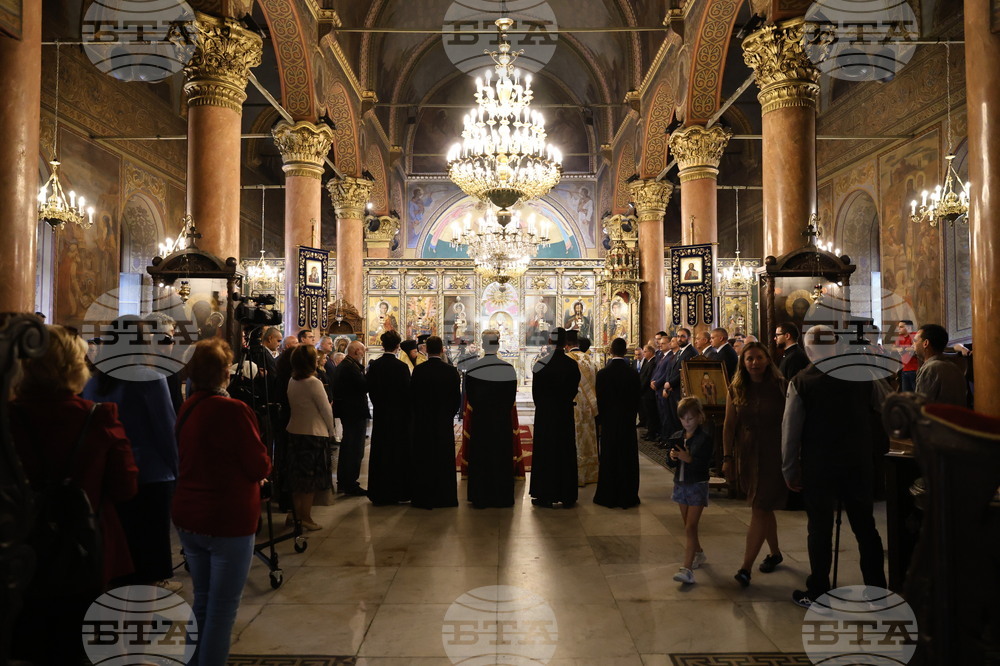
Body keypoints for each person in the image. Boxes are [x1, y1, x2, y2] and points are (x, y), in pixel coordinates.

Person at [10, 325, 139, 665]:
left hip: (15, 552)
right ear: (73, 366)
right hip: (84, 549)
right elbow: (126, 487)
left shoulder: (7, 419)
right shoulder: (96, 419)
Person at [172, 338, 271, 666]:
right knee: (222, 610)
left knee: (202, 600)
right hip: (227, 518)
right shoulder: (234, 409)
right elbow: (258, 465)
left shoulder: (189, 405)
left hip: (189, 515)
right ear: (224, 372)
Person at [782, 325, 887, 607]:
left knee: (819, 529)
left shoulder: (801, 381)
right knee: (866, 528)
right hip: (858, 463)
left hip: (819, 466)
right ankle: (877, 591)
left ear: (808, 350)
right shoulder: (862, 374)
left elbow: (790, 431)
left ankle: (818, 590)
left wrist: (790, 469)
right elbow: (886, 406)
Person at [82, 332, 180, 591]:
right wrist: (178, 469)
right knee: (147, 558)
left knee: (119, 554)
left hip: (110, 475)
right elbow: (165, 430)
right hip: (150, 474)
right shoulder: (149, 378)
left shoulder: (93, 383)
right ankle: (140, 625)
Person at [722, 341, 787, 587]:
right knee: (763, 506)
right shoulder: (736, 389)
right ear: (743, 363)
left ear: (768, 360)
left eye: (759, 358)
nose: (754, 363)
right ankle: (775, 553)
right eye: (749, 359)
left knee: (760, 507)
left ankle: (745, 568)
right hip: (748, 455)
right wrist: (727, 458)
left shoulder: (781, 387)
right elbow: (729, 427)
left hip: (774, 455)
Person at [465, 329, 518, 508]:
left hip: (481, 421)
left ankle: (480, 497)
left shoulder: (473, 368)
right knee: (501, 456)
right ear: (498, 343)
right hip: (501, 421)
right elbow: (511, 398)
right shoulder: (507, 368)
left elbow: (470, 398)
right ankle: (502, 497)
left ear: (482, 344)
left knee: (481, 457)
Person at [285, 344, 335, 530]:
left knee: (298, 479)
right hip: (313, 434)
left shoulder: (292, 380)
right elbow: (326, 410)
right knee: (310, 480)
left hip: (295, 431)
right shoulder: (314, 383)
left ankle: (294, 514)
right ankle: (305, 517)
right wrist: (332, 431)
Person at [531, 327, 582, 507]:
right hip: (564, 412)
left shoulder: (540, 363)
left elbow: (535, 393)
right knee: (565, 451)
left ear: (550, 341)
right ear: (566, 343)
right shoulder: (571, 364)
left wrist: (544, 406)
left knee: (546, 452)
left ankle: (544, 494)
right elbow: (574, 389)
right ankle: (567, 495)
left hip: (545, 414)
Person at [409, 335, 462, 508]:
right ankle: (445, 497)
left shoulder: (419, 370)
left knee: (424, 457)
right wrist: (448, 415)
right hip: (443, 421)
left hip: (423, 422)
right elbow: (456, 399)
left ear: (426, 349)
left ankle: (424, 497)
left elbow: (413, 397)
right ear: (441, 350)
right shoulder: (450, 371)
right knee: (444, 458)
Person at [668, 397, 713, 584]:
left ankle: (686, 569)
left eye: (691, 418)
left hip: (697, 485)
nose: (687, 422)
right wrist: (672, 457)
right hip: (680, 484)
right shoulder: (677, 436)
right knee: (688, 525)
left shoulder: (705, 439)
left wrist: (689, 459)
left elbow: (704, 465)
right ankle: (699, 553)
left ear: (699, 417)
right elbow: (670, 462)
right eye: (683, 419)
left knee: (690, 526)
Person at [366, 330, 413, 505]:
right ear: (398, 347)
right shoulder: (401, 367)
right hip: (399, 417)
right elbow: (407, 393)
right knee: (397, 453)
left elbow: (369, 388)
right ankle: (399, 491)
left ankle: (379, 492)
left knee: (380, 452)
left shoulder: (375, 365)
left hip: (381, 414)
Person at [593, 338, 641, 509]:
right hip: (627, 423)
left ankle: (608, 495)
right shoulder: (633, 373)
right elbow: (637, 399)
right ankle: (628, 495)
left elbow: (600, 401)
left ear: (611, 351)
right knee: (627, 457)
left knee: (609, 457)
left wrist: (602, 421)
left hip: (609, 423)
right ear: (625, 350)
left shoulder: (603, 374)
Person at [333, 340, 370, 496]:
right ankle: (349, 484)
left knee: (350, 447)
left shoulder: (347, 365)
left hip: (350, 412)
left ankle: (345, 482)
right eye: (362, 351)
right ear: (356, 352)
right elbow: (363, 386)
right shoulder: (349, 367)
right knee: (354, 449)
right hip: (354, 412)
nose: (363, 353)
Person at [567, 331, 599, 486]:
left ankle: (577, 475)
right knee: (589, 437)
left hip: (574, 406)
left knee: (576, 438)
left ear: (567, 345)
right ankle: (590, 474)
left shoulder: (568, 359)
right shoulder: (591, 360)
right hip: (590, 406)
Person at [913, 323, 968, 406]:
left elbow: (921, 407)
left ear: (925, 343)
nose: (913, 345)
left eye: (915, 341)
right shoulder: (954, 367)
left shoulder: (931, 368)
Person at [638, 344, 659, 438]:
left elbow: (647, 377)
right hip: (645, 393)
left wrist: (640, 389)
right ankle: (649, 432)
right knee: (648, 413)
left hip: (648, 393)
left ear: (650, 352)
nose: (644, 353)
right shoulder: (648, 361)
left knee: (651, 414)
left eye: (645, 351)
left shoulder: (653, 362)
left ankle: (652, 433)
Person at [892, 320, 918, 391]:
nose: (898, 329)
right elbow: (893, 348)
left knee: (917, 394)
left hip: (915, 370)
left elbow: (916, 348)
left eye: (901, 327)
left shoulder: (915, 335)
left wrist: (903, 349)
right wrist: (898, 348)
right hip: (904, 370)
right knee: (906, 394)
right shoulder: (900, 337)